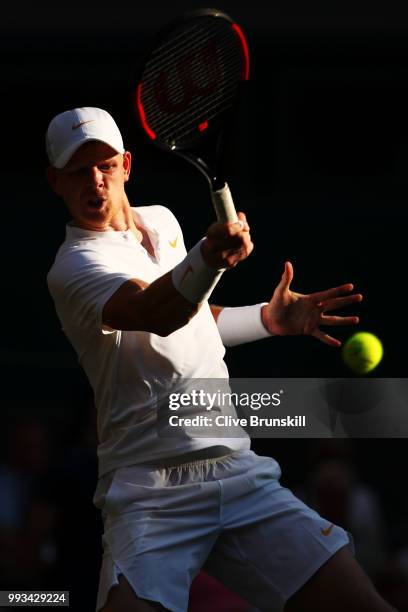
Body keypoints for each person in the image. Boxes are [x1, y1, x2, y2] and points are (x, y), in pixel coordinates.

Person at [45, 107, 396, 612]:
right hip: (150, 485)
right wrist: (208, 260)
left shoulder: (161, 220)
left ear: (126, 164)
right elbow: (155, 311)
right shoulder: (73, 266)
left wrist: (266, 320)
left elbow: (190, 316)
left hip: (235, 468)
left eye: (103, 165)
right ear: (54, 180)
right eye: (77, 171)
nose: (94, 181)